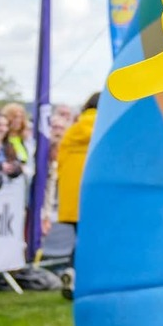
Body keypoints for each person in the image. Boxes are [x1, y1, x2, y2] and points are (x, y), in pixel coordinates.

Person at [56, 93, 98, 300]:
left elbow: (60, 163)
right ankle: (75, 272)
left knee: (80, 237)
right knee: (91, 239)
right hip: (93, 193)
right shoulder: (104, 129)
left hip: (71, 195)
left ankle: (73, 273)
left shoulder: (72, 131)